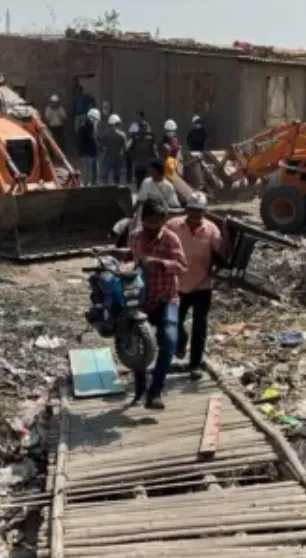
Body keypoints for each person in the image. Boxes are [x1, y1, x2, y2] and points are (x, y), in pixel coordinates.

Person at [116, 197, 187, 409]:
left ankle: (156, 390)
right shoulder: (136, 236)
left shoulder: (171, 239)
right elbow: (131, 255)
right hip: (140, 299)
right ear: (143, 220)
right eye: (150, 222)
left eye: (158, 222)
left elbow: (182, 266)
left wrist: (160, 263)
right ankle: (140, 390)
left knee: (168, 340)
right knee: (139, 344)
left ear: (164, 220)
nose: (153, 227)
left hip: (166, 296)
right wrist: (117, 257)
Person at [169, 192, 226, 379]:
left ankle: (195, 365)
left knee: (199, 326)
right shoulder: (174, 226)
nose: (195, 215)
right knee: (174, 322)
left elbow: (221, 252)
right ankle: (181, 342)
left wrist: (227, 236)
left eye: (199, 212)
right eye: (192, 211)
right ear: (187, 210)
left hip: (202, 284)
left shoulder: (211, 229)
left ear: (204, 212)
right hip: (178, 283)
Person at [129, 118, 159, 188]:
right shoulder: (149, 139)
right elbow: (155, 153)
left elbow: (131, 151)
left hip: (141, 165)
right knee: (145, 184)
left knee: (141, 184)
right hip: (145, 165)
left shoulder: (137, 139)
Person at [99, 114, 127, 185]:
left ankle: (105, 189)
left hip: (108, 157)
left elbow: (101, 147)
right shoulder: (122, 135)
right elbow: (125, 149)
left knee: (105, 175)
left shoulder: (106, 134)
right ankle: (116, 189)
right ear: (118, 124)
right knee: (116, 176)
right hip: (118, 157)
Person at [79, 108, 101, 186]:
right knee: (88, 169)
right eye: (95, 119)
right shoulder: (84, 127)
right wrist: (81, 153)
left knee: (94, 169)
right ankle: (86, 184)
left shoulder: (92, 126)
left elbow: (95, 137)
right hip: (88, 152)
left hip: (93, 152)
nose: (96, 121)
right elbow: (82, 141)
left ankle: (94, 183)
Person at [127, 112, 149, 185]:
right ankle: (130, 175)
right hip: (135, 141)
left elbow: (148, 133)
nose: (138, 118)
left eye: (139, 117)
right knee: (128, 151)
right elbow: (130, 133)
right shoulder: (134, 124)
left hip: (142, 141)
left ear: (142, 117)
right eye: (137, 117)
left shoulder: (146, 125)